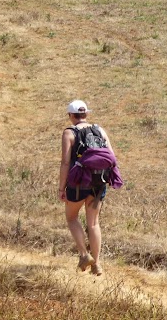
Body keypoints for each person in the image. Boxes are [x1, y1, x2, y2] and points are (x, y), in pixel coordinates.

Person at [59, 100, 121, 275]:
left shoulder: (69, 133)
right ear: (86, 114)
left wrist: (61, 188)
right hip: (98, 182)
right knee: (93, 223)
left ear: (71, 115)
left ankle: (84, 255)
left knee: (71, 218)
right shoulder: (100, 130)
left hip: (77, 184)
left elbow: (65, 162)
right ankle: (97, 264)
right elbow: (112, 157)